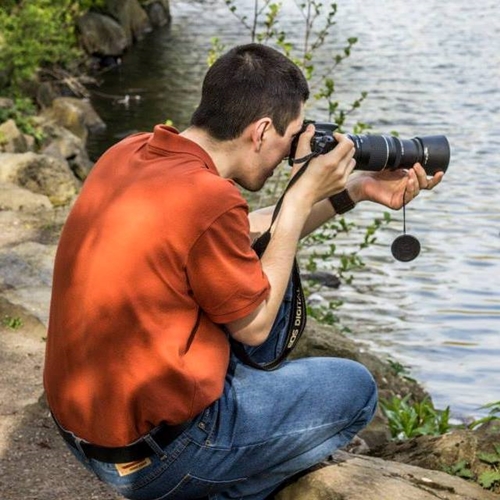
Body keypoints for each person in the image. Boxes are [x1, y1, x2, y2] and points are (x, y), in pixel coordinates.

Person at [43, 43, 443, 500]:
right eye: (291, 138)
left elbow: (241, 231)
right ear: (261, 131)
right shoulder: (210, 199)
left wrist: (355, 189)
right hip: (154, 459)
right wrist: (298, 197)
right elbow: (255, 328)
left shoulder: (132, 152)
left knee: (252, 284)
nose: (290, 154)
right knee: (355, 387)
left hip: (86, 431)